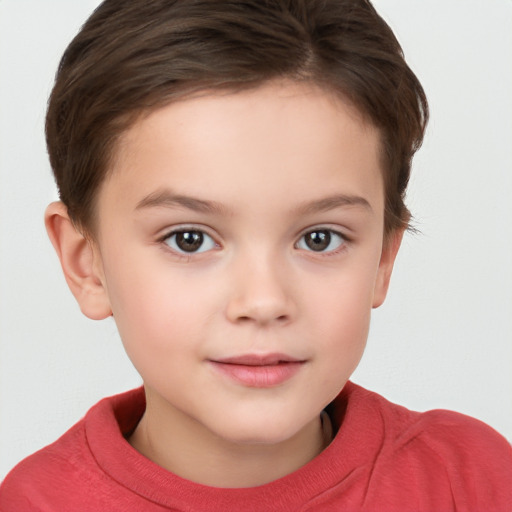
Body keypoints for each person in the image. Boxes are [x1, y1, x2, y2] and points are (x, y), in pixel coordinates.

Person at [0, 0, 510, 509]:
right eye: (189, 239)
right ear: (85, 263)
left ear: (382, 259)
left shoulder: (471, 483)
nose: (263, 302)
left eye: (319, 238)